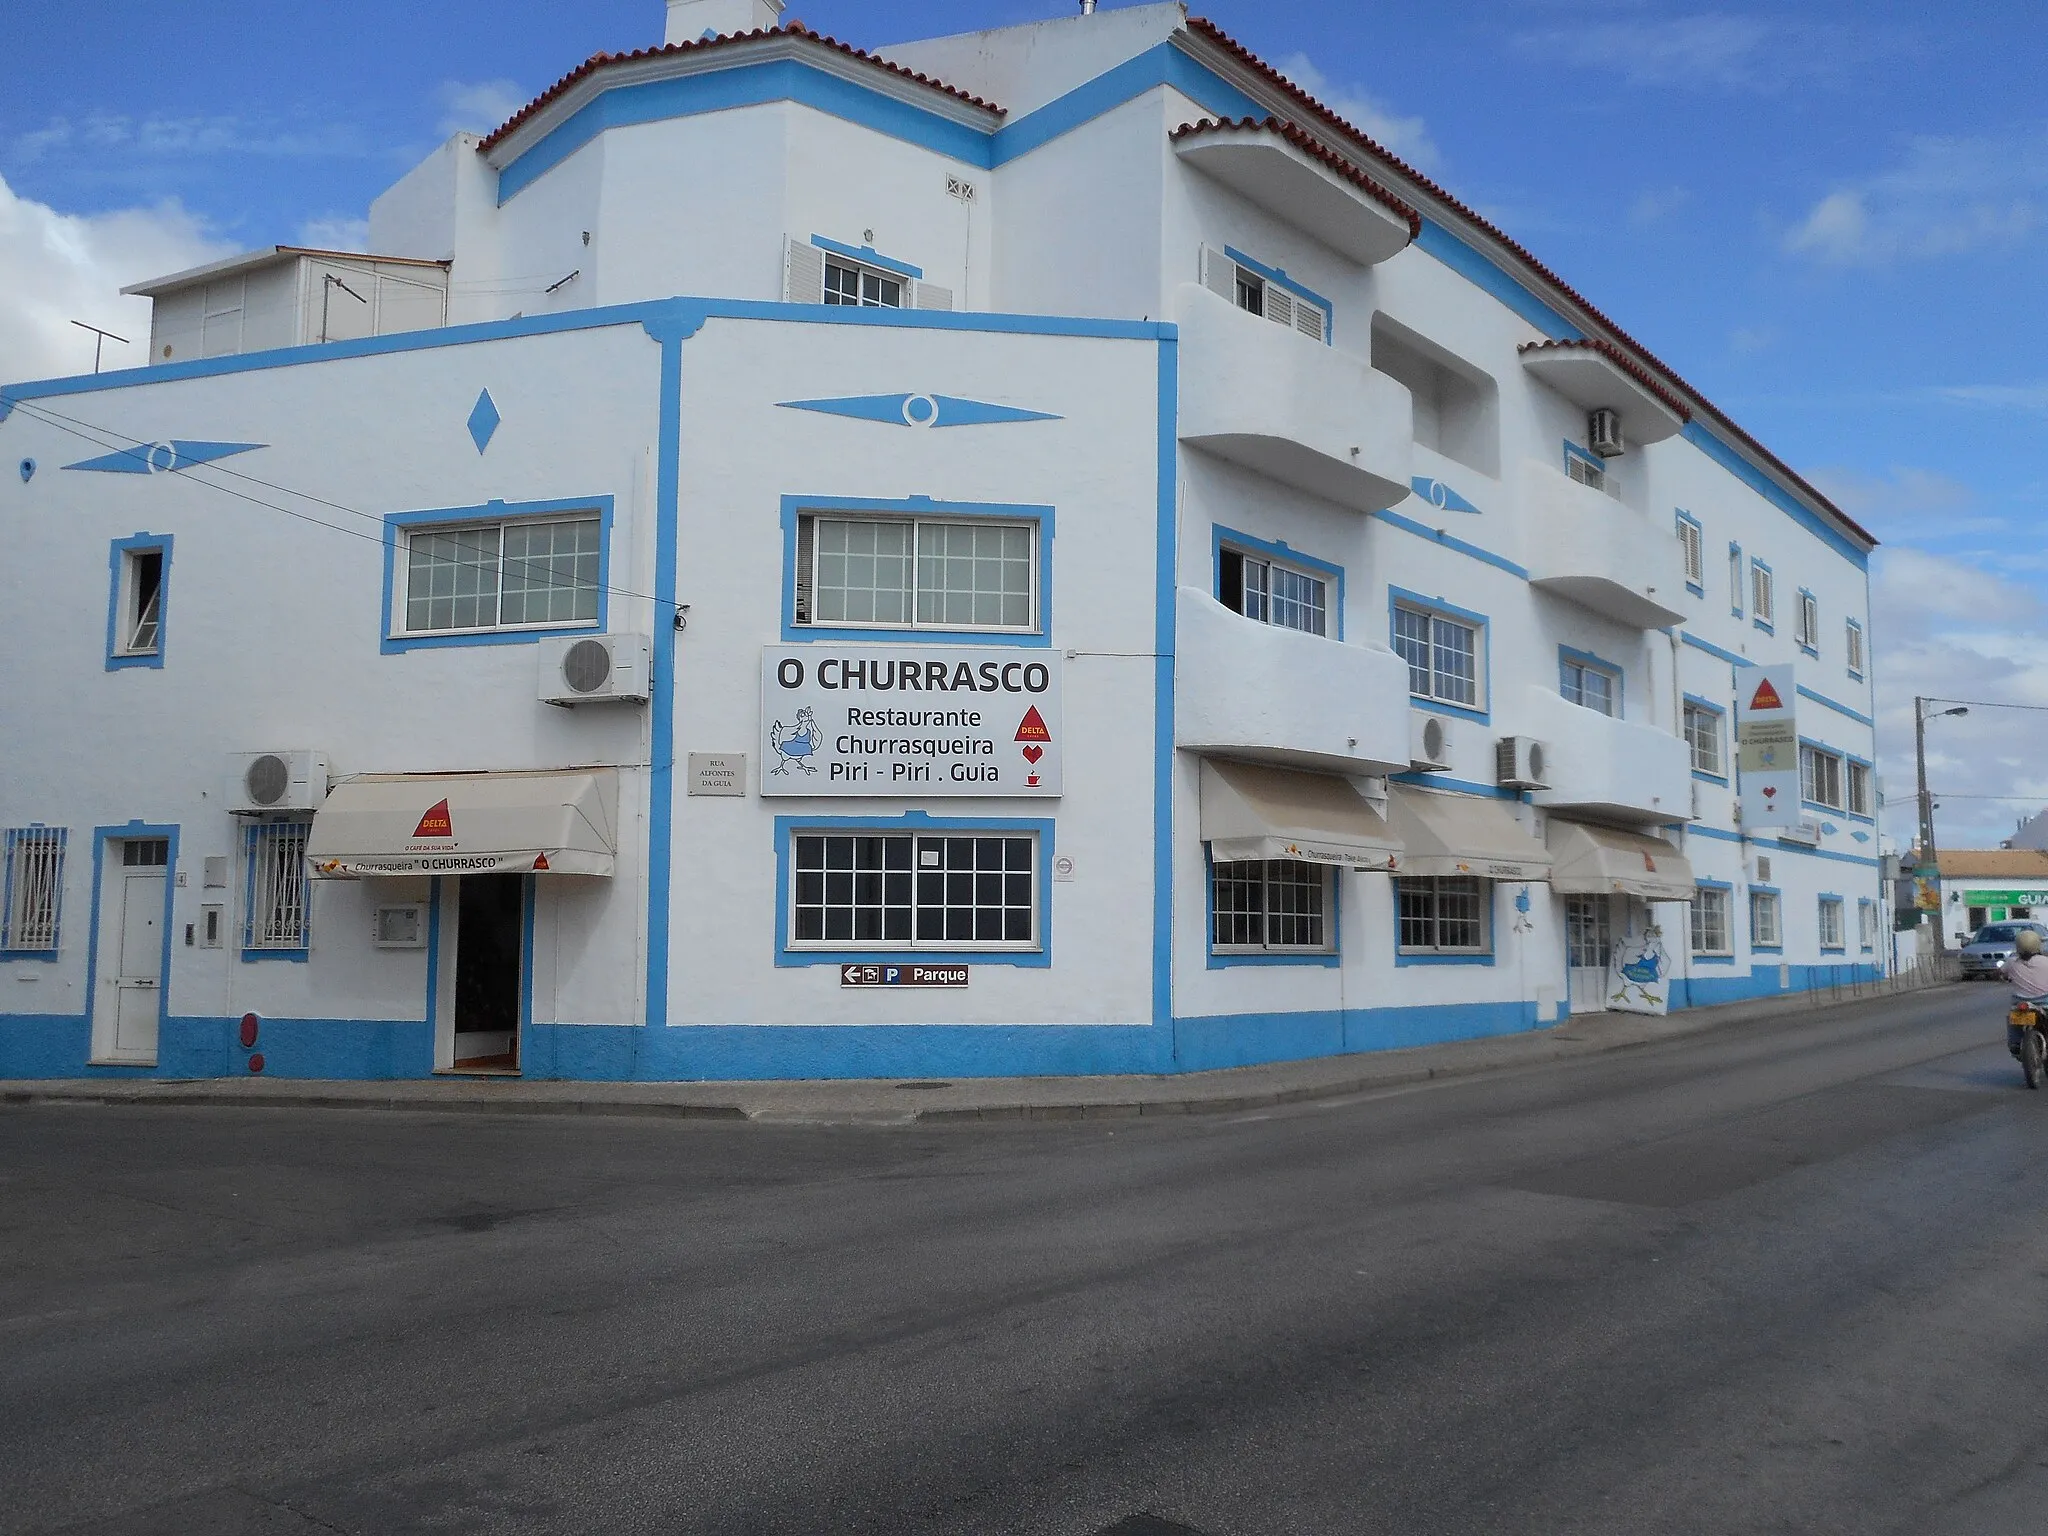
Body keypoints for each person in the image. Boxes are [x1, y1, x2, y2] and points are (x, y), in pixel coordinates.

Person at [2004, 927, 2048, 1060]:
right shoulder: (2045, 961)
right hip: (2045, 1002)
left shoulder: (2011, 962)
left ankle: (2015, 1044)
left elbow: (2000, 972)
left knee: (2013, 1019)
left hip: (2021, 1003)